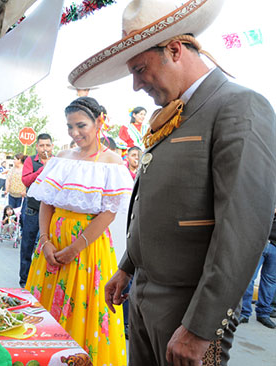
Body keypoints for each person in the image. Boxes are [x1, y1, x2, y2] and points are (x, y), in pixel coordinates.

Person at [69, 0, 276, 365]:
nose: (135, 86)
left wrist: (201, 327)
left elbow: (242, 229)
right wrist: (129, 265)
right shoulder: (170, 114)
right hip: (144, 296)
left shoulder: (239, 106)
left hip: (190, 309)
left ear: (175, 50)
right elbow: (157, 202)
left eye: (139, 69)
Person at [26, 97, 132, 364]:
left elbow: (108, 213)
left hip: (87, 249)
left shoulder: (112, 162)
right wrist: (46, 241)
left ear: (99, 122)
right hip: (52, 246)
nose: (75, 133)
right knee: (46, 311)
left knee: (83, 313)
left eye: (81, 125)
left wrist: (75, 248)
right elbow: (46, 202)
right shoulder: (61, 158)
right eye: (70, 127)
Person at [19, 133, 53, 288]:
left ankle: (41, 282)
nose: (45, 148)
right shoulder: (30, 161)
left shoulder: (57, 161)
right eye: (42, 145)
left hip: (52, 212)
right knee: (27, 246)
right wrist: (42, 170)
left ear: (52, 146)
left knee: (47, 246)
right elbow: (25, 180)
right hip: (33, 209)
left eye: (48, 145)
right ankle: (24, 282)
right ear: (37, 147)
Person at [239, 212, 276, 328]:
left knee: (270, 282)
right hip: (261, 242)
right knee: (249, 278)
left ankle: (263, 313)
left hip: (275, 247)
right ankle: (244, 313)